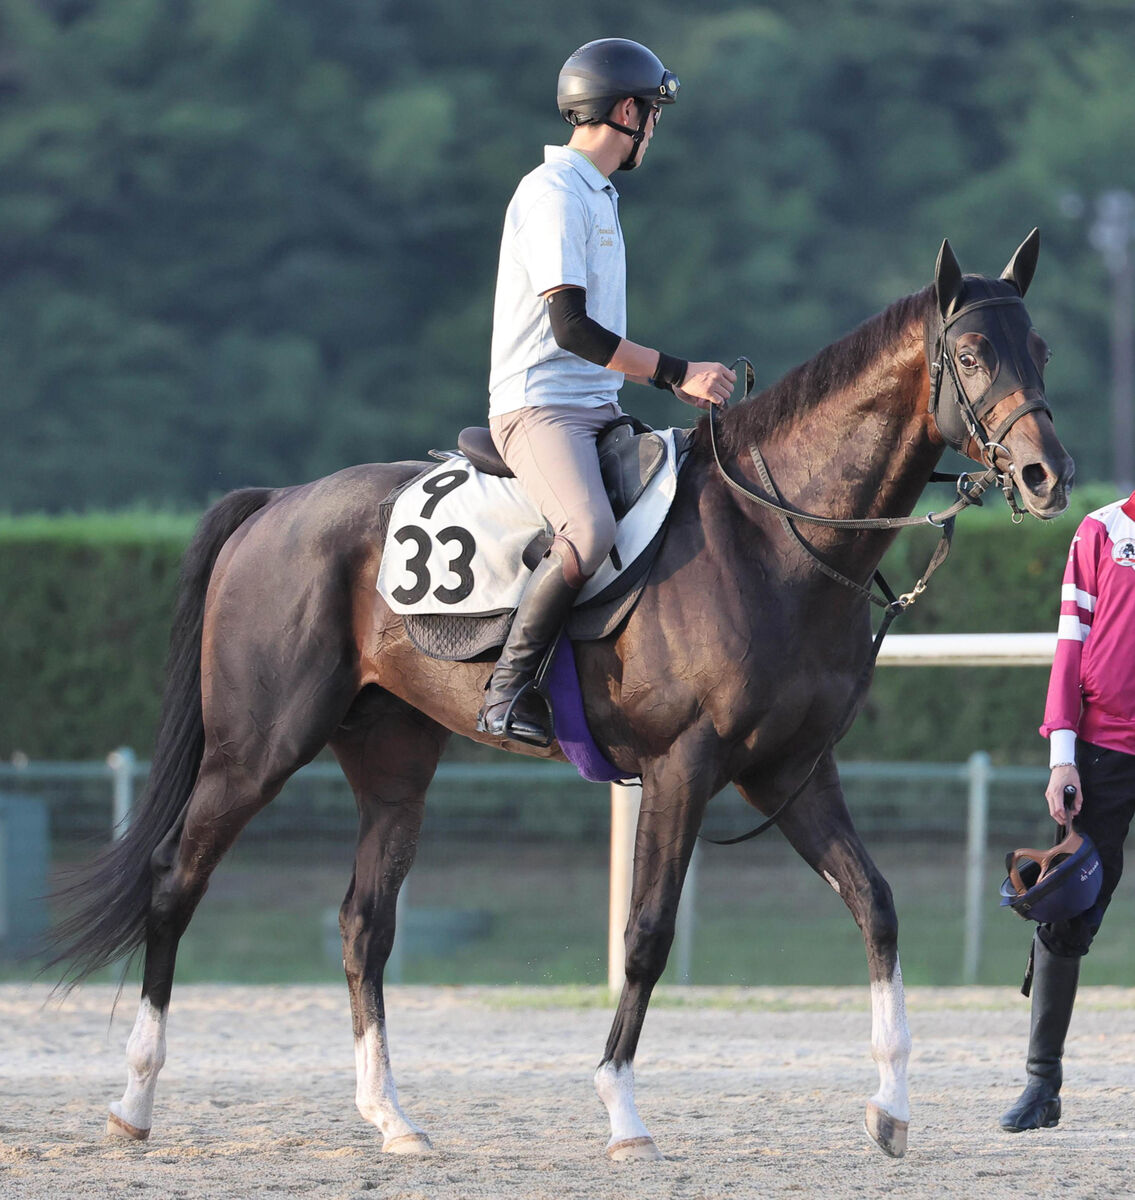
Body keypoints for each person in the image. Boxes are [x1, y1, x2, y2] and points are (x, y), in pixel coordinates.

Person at [476, 38, 736, 745]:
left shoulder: (594, 193)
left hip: (595, 409)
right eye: (652, 113)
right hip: (538, 409)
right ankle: (506, 690)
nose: (654, 126)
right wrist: (676, 372)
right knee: (588, 532)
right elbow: (572, 331)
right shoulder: (554, 193)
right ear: (626, 111)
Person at [1002, 488, 1135, 1132]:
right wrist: (1063, 754)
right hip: (1101, 753)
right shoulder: (1101, 531)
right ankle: (1041, 1085)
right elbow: (1070, 644)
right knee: (1068, 910)